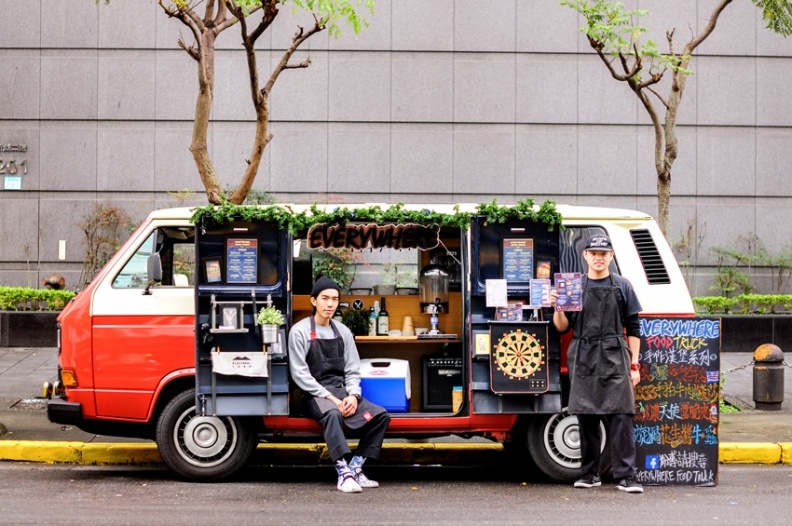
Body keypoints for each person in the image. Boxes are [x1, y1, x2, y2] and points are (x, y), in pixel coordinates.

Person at [549, 234, 644, 494]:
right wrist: (557, 306)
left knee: (621, 415)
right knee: (586, 416)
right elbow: (562, 327)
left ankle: (627, 476)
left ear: (611, 256)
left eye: (604, 254)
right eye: (594, 253)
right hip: (583, 354)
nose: (598, 258)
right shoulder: (573, 286)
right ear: (585, 255)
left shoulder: (623, 285)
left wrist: (634, 365)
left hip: (615, 355)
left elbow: (634, 327)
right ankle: (590, 474)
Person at [288, 276, 391, 493]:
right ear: (313, 301)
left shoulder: (343, 332)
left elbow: (353, 369)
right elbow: (299, 374)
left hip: (342, 391)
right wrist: (331, 398)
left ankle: (356, 467)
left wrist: (353, 395)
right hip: (314, 395)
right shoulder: (299, 331)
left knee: (380, 415)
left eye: (334, 299)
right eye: (325, 298)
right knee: (333, 414)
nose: (330, 304)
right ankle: (343, 472)